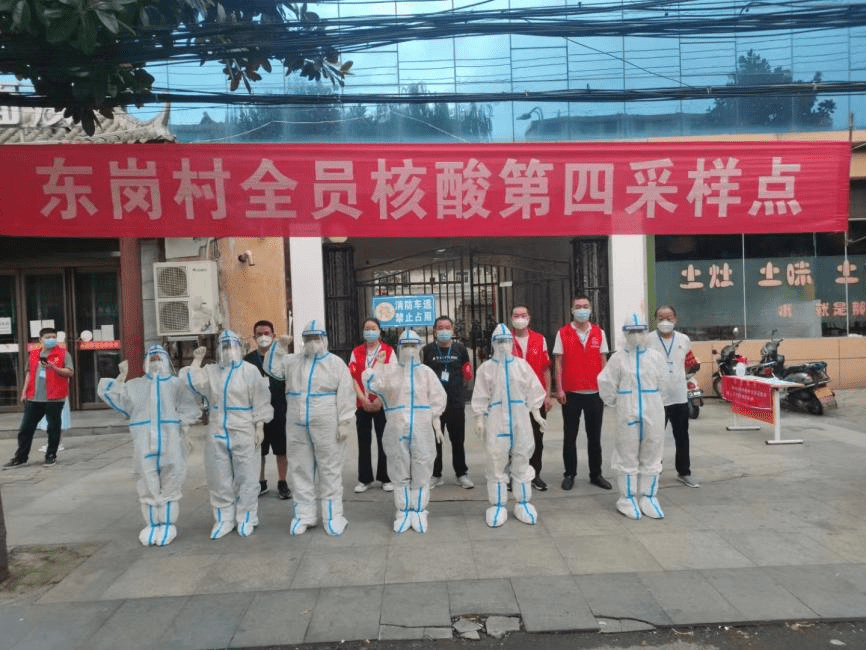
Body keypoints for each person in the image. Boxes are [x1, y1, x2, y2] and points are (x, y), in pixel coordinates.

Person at [97, 345, 201, 545]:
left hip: (171, 440)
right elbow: (115, 397)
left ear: (166, 360)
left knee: (171, 478)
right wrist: (120, 378)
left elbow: (189, 408)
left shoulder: (175, 384)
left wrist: (183, 428)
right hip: (144, 441)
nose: (155, 362)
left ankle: (168, 524)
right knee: (146, 480)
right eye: (151, 359)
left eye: (158, 358)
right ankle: (152, 525)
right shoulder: (135, 385)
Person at [179, 329, 273, 539]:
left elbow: (261, 398)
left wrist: (259, 425)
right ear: (219, 349)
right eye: (224, 346)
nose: (229, 350)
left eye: (232, 345)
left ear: (239, 348)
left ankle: (247, 517)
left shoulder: (249, 371)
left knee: (247, 476)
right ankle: (223, 519)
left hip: (244, 428)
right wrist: (196, 362)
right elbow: (190, 382)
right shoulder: (211, 371)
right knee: (218, 477)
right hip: (217, 429)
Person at [264, 320, 355, 536]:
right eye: (308, 339)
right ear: (303, 340)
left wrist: (344, 421)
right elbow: (271, 368)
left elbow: (346, 392)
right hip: (296, 422)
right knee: (300, 469)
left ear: (324, 339)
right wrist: (279, 347)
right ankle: (304, 515)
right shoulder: (292, 361)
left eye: (316, 338)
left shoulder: (335, 363)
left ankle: (333, 516)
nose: (312, 343)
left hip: (326, 421)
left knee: (329, 469)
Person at [363, 329, 446, 533]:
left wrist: (435, 420)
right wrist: (378, 366)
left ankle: (419, 509)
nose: (409, 350)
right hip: (396, 428)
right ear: (399, 348)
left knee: (422, 466)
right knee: (398, 467)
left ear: (419, 348)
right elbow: (373, 385)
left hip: (422, 427)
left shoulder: (426, 373)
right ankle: (402, 510)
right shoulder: (390, 371)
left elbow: (438, 397)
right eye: (405, 345)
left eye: (413, 346)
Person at [472, 324, 547, 527]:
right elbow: (480, 395)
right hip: (496, 420)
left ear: (512, 343)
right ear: (493, 344)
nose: (503, 345)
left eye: (506, 341)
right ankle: (497, 505)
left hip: (520, 418)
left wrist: (536, 413)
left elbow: (534, 390)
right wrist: (479, 418)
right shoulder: (486, 369)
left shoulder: (522, 365)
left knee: (522, 458)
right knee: (496, 461)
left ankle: (523, 503)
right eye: (499, 341)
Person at [597, 313, 667, 520]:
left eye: (640, 331)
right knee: (626, 453)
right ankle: (627, 498)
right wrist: (617, 402)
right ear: (625, 333)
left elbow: (664, 383)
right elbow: (606, 383)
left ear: (646, 332)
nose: (636, 335)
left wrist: (655, 401)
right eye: (632, 331)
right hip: (627, 409)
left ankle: (649, 496)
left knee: (652, 451)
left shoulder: (655, 357)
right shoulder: (618, 358)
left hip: (653, 408)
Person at [552, 295, 612, 491]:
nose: (582, 310)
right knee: (570, 437)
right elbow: (558, 362)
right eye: (578, 307)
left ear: (591, 309)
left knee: (594, 437)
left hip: (594, 392)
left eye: (585, 306)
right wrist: (559, 388)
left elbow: (603, 360)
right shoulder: (563, 333)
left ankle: (596, 474)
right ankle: (569, 474)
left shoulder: (599, 333)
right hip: (571, 393)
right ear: (572, 310)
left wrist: (605, 387)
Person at [4, 327, 73, 468]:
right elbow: (29, 373)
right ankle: (20, 457)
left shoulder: (63, 354)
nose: (51, 340)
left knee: (53, 428)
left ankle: (51, 455)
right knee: (25, 429)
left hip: (55, 398)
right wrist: (24, 392)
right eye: (48, 337)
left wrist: (54, 368)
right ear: (40, 340)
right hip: (34, 398)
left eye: (53, 337)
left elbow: (70, 372)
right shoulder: (34, 354)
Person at [646, 305, 699, 488]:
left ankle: (684, 472)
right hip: (656, 398)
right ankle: (653, 471)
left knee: (682, 436)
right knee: (654, 437)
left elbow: (690, 363)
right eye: (661, 318)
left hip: (679, 396)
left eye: (669, 318)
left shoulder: (684, 339)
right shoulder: (648, 340)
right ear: (655, 320)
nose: (665, 321)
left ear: (675, 319)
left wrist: (681, 376)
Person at [422, 315, 474, 489]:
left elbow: (467, 371)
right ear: (435, 331)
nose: (444, 331)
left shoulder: (460, 349)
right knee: (435, 441)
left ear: (452, 330)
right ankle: (435, 475)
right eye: (440, 328)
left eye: (447, 327)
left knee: (458, 441)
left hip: (455, 402)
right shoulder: (427, 350)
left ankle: (461, 474)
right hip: (434, 404)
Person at [244, 320, 291, 500]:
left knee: (281, 448)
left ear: (273, 335)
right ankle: (261, 482)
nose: (263, 337)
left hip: (279, 408)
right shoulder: (248, 360)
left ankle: (282, 482)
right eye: (259, 334)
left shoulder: (282, 357)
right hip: (256, 410)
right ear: (254, 337)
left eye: (267, 333)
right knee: (259, 448)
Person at [510, 305, 554, 491]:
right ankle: (513, 474)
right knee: (514, 438)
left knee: (537, 437)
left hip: (536, 398)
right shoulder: (506, 340)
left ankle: (535, 474)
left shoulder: (539, 339)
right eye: (516, 315)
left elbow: (545, 369)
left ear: (529, 318)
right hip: (514, 398)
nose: (520, 318)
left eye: (523, 315)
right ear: (511, 318)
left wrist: (547, 395)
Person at [348, 318, 393, 494]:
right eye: (367, 329)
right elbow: (353, 377)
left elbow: (392, 377)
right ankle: (364, 479)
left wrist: (380, 399)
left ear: (379, 331)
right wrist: (362, 399)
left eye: (373, 328)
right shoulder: (356, 352)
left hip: (382, 404)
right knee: (363, 441)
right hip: (363, 404)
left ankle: (386, 478)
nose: (370, 332)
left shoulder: (388, 351)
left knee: (384, 441)